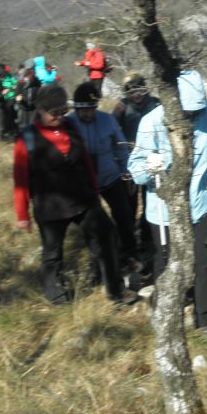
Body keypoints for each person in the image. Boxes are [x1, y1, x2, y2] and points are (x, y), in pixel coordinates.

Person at [127, 70, 207, 341]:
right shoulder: (151, 122)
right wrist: (148, 165)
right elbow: (135, 169)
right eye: (188, 111)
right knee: (166, 262)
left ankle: (204, 319)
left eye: (196, 111)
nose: (193, 116)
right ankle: (165, 312)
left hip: (201, 203)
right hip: (164, 208)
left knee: (205, 263)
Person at [12, 84, 122, 305]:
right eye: (54, 113)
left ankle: (114, 289)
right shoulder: (27, 138)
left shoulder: (71, 125)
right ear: (40, 110)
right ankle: (57, 296)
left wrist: (95, 191)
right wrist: (22, 215)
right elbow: (20, 179)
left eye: (62, 112)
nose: (59, 117)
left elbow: (86, 162)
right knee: (52, 255)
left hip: (83, 199)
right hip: (50, 208)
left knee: (107, 236)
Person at [66, 81, 143, 292]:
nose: (87, 114)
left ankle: (130, 253)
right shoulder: (68, 124)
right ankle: (97, 267)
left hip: (111, 177)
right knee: (95, 227)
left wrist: (128, 176)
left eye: (91, 109)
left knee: (124, 215)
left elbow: (120, 149)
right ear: (76, 108)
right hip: (85, 184)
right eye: (82, 110)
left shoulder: (107, 120)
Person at [113, 72, 161, 262]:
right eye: (131, 91)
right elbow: (114, 131)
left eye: (139, 89)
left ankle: (147, 238)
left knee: (151, 199)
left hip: (153, 158)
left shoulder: (156, 103)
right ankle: (128, 243)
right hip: (130, 159)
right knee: (129, 202)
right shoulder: (121, 106)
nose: (136, 94)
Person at [15, 60, 41, 131]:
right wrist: (18, 98)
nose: (31, 71)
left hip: (34, 107)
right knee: (24, 126)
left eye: (32, 69)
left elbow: (39, 92)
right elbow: (17, 93)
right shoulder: (21, 80)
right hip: (23, 106)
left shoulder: (36, 81)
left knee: (33, 125)